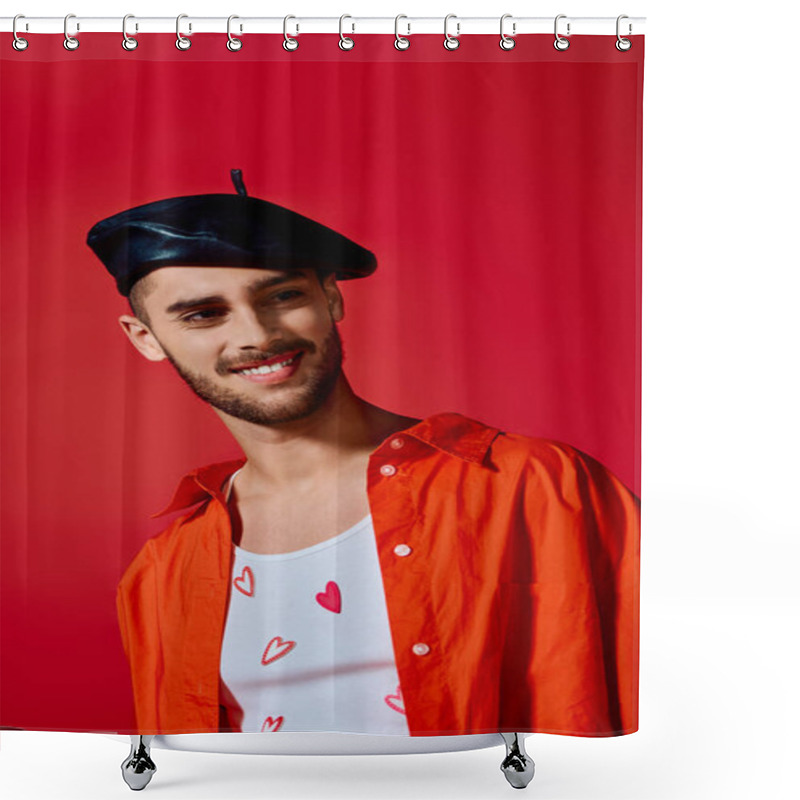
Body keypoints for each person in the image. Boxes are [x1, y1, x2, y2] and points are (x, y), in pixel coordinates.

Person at [87, 169, 640, 738]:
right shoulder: (161, 575)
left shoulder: (539, 486)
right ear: (145, 338)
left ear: (330, 296)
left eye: (282, 295)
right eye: (204, 314)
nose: (257, 333)